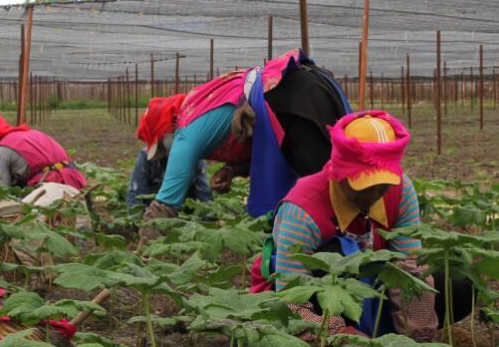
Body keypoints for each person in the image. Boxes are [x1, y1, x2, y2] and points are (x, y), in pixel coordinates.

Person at [250, 110, 454, 345]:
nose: (375, 194)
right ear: (341, 173)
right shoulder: (303, 211)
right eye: (365, 185)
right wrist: (342, 340)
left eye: (383, 185)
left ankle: (382, 337)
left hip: (373, 295)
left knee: (453, 286)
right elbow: (291, 299)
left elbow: (410, 268)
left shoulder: (401, 191)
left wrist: (417, 336)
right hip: (315, 301)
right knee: (337, 255)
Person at [139, 49, 350, 226]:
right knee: (342, 175)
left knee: (327, 190)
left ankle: (341, 256)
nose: (166, 152)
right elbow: (261, 144)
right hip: (309, 84)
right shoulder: (200, 104)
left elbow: (166, 202)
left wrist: (146, 247)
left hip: (293, 99)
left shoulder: (186, 132)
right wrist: (233, 170)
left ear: (166, 129)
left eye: (162, 146)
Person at [128, 94, 213, 209]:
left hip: (186, 219)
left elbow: (204, 195)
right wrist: (140, 223)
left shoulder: (194, 157)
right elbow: (135, 196)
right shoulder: (145, 159)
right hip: (151, 217)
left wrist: (208, 222)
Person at [0, 111, 86, 190]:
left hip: (49, 191)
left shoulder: (0, 152)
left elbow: (1, 191)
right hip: (76, 183)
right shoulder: (32, 134)